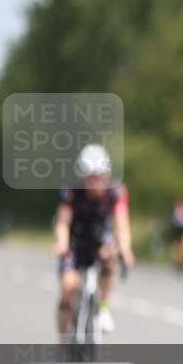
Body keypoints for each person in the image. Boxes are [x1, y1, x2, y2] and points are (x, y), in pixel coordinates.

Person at [53, 144, 134, 339]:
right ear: (82, 176)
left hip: (100, 239)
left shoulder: (116, 192)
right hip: (75, 241)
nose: (96, 182)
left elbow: (121, 224)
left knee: (110, 255)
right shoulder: (71, 191)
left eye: (100, 176)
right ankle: (62, 340)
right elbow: (63, 222)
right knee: (68, 287)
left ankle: (104, 308)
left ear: (107, 174)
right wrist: (62, 243)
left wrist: (125, 249)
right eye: (90, 177)